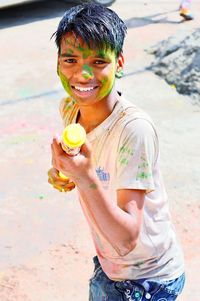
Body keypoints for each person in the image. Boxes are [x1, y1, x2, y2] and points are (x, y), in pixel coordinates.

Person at [48, 3, 185, 300]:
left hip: (147, 279)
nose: (83, 74)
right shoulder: (70, 109)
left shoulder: (133, 130)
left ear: (119, 64)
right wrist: (62, 173)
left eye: (98, 62)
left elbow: (126, 240)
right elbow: (86, 172)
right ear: (58, 63)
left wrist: (84, 178)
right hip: (110, 265)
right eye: (70, 59)